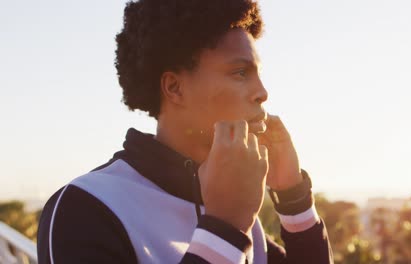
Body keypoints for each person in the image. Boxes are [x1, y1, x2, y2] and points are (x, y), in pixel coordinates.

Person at [37, 0, 333, 263]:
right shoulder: (86, 209)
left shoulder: (241, 210)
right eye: (240, 72)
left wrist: (294, 198)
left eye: (258, 74)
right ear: (174, 88)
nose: (262, 92)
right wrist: (225, 228)